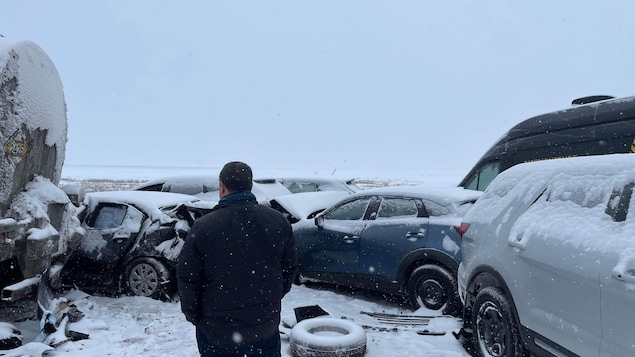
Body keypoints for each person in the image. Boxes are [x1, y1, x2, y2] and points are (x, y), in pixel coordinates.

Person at [177, 161, 298, 357]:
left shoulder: (204, 227)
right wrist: (269, 298)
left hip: (218, 333)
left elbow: (187, 278)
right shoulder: (278, 221)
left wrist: (196, 316)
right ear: (250, 186)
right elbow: (289, 270)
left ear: (222, 187)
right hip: (264, 327)